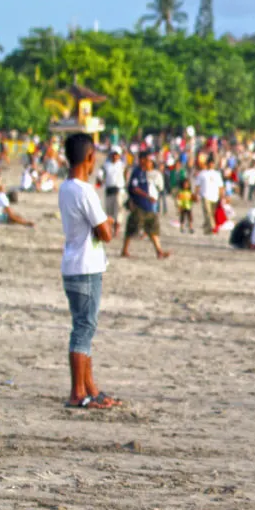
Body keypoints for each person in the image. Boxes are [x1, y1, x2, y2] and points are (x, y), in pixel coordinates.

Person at [58, 133, 119, 410]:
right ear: (90, 156)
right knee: (83, 329)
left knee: (84, 327)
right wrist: (110, 224)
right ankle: (77, 393)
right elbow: (104, 233)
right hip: (86, 266)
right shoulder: (85, 190)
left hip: (72, 265)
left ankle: (89, 388)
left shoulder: (66, 188)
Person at [122, 151, 171, 259]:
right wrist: (147, 196)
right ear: (142, 159)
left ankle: (159, 251)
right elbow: (134, 188)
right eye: (148, 160)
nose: (150, 162)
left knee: (153, 228)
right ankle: (124, 250)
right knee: (132, 227)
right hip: (139, 205)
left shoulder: (145, 172)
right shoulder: (137, 172)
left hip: (148, 205)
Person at [196, 155, 224, 234]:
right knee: (208, 213)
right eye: (210, 163)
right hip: (205, 196)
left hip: (215, 196)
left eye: (212, 163)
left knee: (211, 214)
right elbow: (197, 185)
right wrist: (196, 195)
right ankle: (213, 227)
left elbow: (221, 186)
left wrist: (222, 196)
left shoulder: (217, 174)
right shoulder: (202, 173)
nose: (211, 165)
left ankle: (207, 230)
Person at [102, 148, 126, 235]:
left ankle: (117, 230)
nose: (115, 156)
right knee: (109, 211)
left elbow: (125, 176)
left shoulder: (122, 165)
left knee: (119, 211)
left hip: (119, 190)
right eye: (113, 154)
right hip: (109, 189)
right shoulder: (106, 165)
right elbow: (102, 176)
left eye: (117, 154)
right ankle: (110, 228)